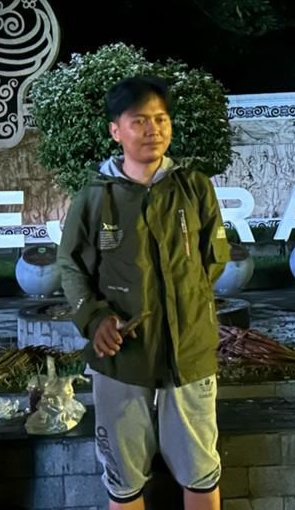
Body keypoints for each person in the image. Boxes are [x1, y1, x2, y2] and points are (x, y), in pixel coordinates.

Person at [56, 75, 232, 510]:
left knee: (200, 470)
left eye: (161, 119)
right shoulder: (95, 197)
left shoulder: (193, 187)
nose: (153, 129)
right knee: (124, 476)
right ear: (116, 131)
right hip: (122, 356)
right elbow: (71, 266)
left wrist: (186, 309)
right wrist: (95, 318)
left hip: (189, 354)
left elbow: (212, 259)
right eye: (139, 121)